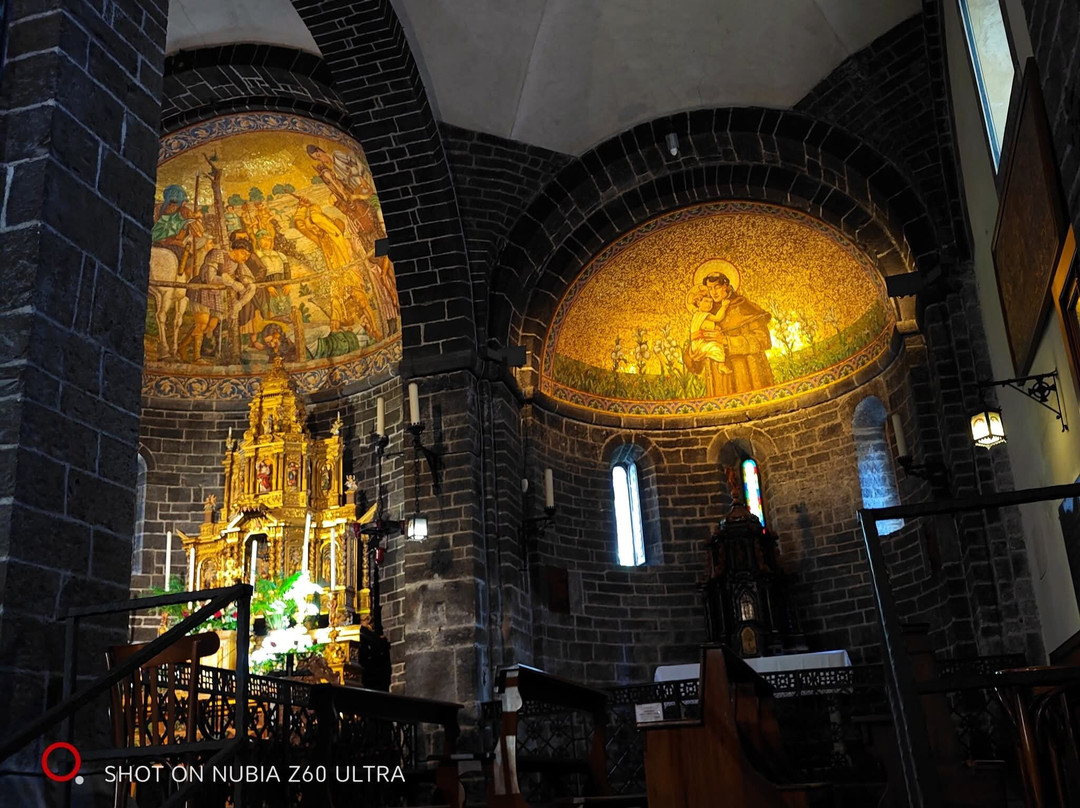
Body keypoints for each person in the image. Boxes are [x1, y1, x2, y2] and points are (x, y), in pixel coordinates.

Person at [688, 259, 775, 396]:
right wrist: (694, 352)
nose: (713, 292)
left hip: (747, 377)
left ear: (726, 286)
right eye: (710, 288)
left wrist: (726, 341)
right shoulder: (705, 314)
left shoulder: (743, 307)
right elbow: (695, 362)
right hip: (719, 384)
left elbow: (763, 339)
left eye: (717, 287)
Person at [687, 285, 733, 375]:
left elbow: (707, 327)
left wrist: (715, 328)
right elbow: (718, 318)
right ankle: (721, 365)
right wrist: (724, 306)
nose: (709, 304)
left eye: (711, 302)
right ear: (698, 303)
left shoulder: (702, 316)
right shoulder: (701, 315)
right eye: (706, 301)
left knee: (718, 345)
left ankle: (720, 364)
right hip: (699, 345)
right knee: (715, 347)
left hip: (702, 343)